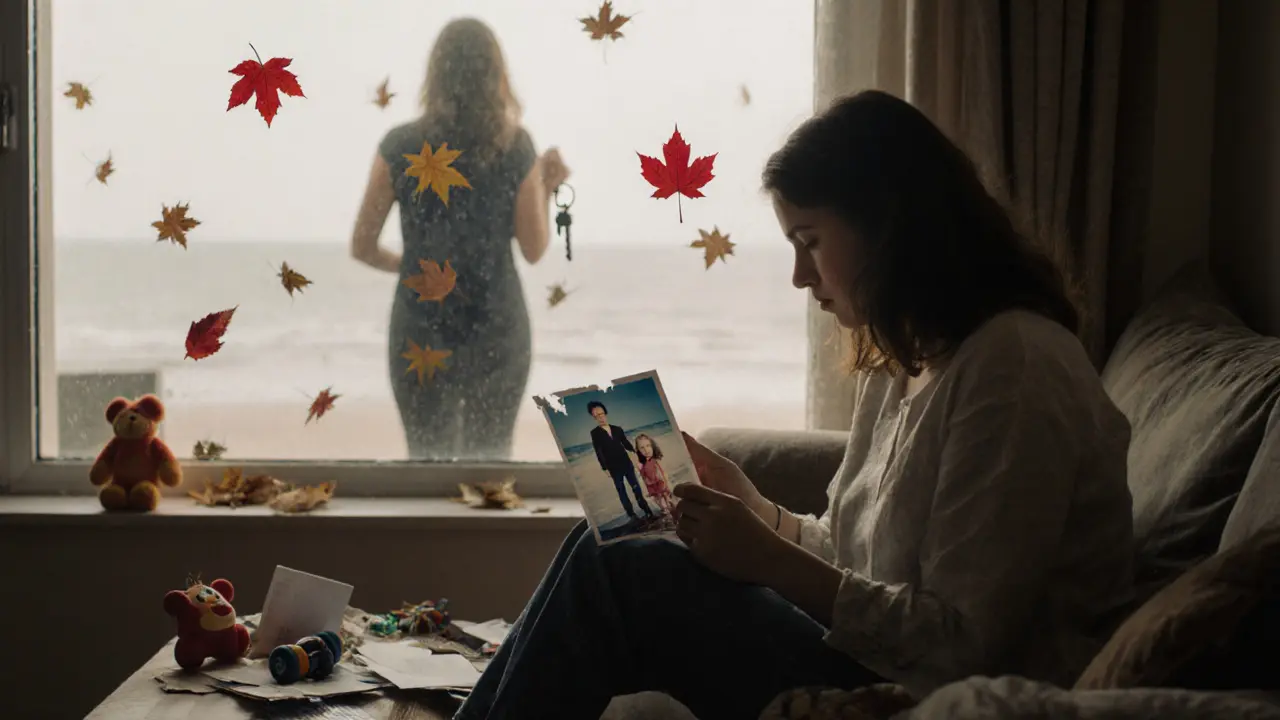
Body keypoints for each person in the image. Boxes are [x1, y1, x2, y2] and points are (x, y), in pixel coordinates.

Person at [453, 90, 1134, 720]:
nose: (800, 277)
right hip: (875, 654)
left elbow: (963, 642)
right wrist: (754, 507)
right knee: (612, 539)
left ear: (889, 226)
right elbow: (852, 550)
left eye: (810, 242)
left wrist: (770, 561)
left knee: (621, 568)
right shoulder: (904, 362)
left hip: (929, 692)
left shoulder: (1014, 365)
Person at [350, 18, 571, 460]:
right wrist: (546, 186)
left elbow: (363, 245)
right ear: (496, 76)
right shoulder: (516, 146)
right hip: (497, 327)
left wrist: (413, 266)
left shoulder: (399, 145)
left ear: (435, 73)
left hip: (421, 328)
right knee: (489, 468)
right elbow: (533, 248)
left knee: (426, 466)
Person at [588, 401, 657, 524]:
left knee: (636, 488)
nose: (600, 417)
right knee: (622, 491)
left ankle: (647, 511)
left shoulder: (617, 429)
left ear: (605, 413)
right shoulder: (595, 433)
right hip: (613, 467)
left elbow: (625, 443)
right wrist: (605, 468)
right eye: (596, 416)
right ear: (593, 418)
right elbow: (599, 452)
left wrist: (637, 454)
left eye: (601, 414)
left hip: (626, 463)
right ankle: (632, 515)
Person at [635, 433, 675, 518]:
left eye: (648, 445)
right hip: (651, 486)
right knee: (659, 501)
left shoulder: (655, 460)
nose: (646, 450)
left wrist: (667, 483)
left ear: (652, 445)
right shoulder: (642, 463)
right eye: (642, 448)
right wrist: (640, 469)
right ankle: (666, 511)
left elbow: (662, 473)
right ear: (638, 450)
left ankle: (670, 510)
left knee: (666, 497)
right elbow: (643, 477)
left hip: (660, 482)